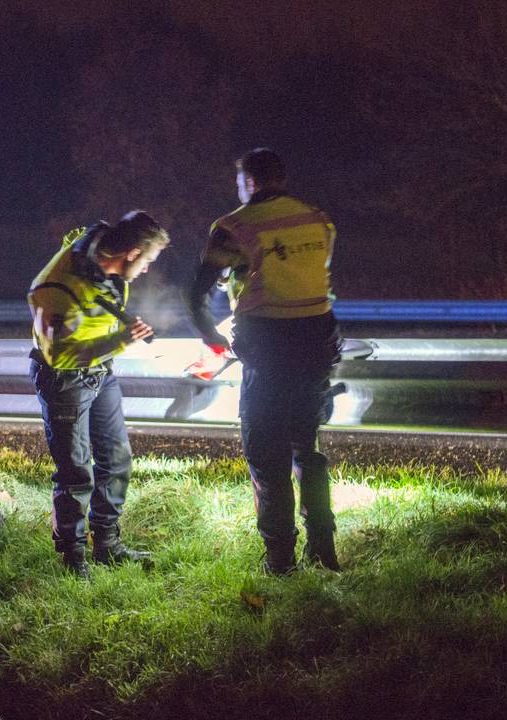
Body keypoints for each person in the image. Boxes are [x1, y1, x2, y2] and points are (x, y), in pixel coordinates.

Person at [186, 148, 342, 575]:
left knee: (266, 453)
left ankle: (280, 560)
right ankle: (323, 549)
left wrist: (211, 335)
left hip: (268, 350)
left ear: (249, 182)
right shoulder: (318, 220)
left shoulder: (235, 226)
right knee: (306, 448)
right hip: (317, 344)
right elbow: (301, 275)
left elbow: (197, 293)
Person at [28, 210, 170, 578]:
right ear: (132, 253)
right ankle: (73, 558)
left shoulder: (102, 261)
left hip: (100, 372)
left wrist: (117, 337)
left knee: (117, 459)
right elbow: (58, 356)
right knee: (76, 471)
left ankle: (107, 545)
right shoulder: (56, 289)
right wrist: (120, 340)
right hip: (65, 380)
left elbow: (85, 248)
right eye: (148, 261)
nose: (147, 270)